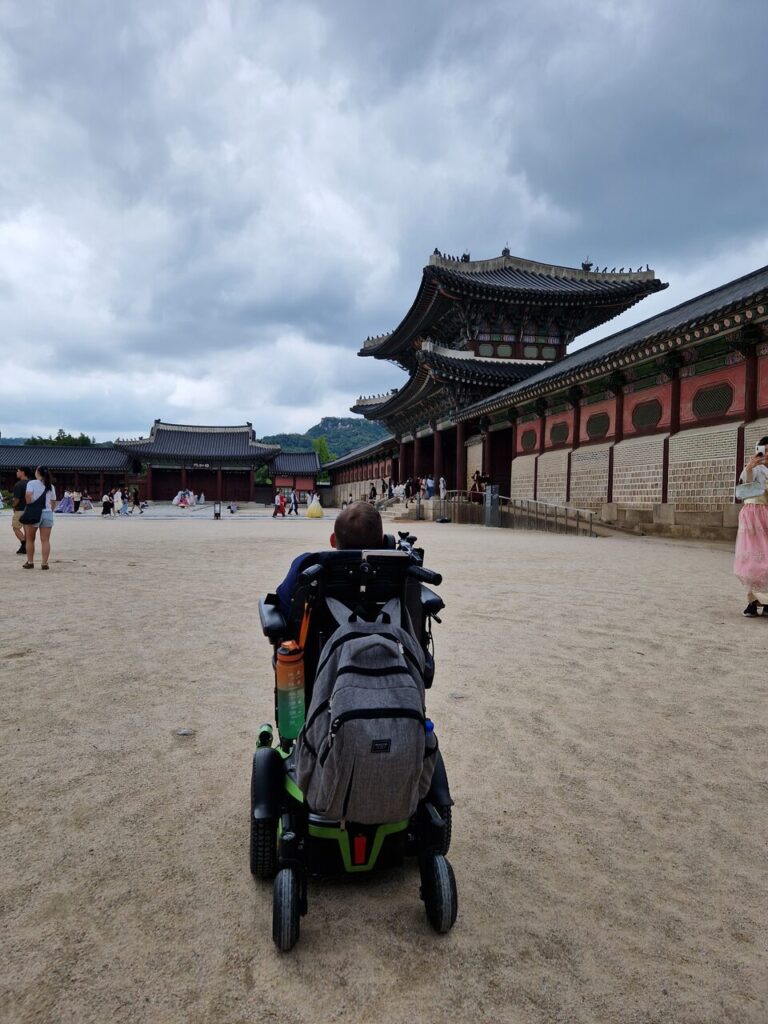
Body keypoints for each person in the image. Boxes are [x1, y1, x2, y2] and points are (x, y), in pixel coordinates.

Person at [275, 501, 385, 616]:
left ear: (332, 540)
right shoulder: (398, 569)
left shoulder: (308, 564)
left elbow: (284, 605)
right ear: (383, 541)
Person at [734, 437, 768, 616]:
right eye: (766, 450)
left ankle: (766, 601)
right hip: (752, 516)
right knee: (753, 559)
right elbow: (744, 482)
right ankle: (753, 602)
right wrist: (749, 466)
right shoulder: (755, 468)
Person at [22, 466, 57, 570]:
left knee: (30, 539)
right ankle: (44, 563)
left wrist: (30, 505)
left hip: (34, 513)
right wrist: (51, 510)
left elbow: (28, 496)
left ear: (37, 473)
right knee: (45, 540)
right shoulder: (51, 486)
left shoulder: (31, 483)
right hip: (47, 513)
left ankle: (30, 562)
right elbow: (53, 502)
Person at [11, 466, 30, 555]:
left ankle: (24, 543)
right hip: (30, 509)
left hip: (20, 510)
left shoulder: (18, 484)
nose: (16, 472)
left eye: (18, 471)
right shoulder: (31, 483)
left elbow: (17, 499)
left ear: (23, 472)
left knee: (16, 527)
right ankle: (25, 547)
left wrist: (13, 506)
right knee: (27, 529)